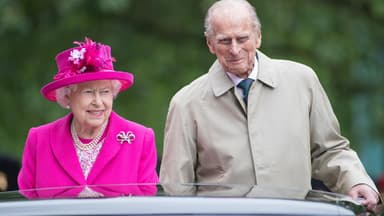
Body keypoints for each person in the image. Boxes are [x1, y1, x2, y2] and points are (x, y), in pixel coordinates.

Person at [159, 0, 380, 212]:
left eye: (242, 38)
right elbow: (176, 191)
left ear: (258, 37)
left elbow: (329, 150)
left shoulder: (302, 81)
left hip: (295, 213)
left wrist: (356, 181)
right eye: (225, 41)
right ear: (210, 44)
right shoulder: (186, 103)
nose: (235, 50)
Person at [18, 37, 159, 199]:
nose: (98, 102)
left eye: (105, 92)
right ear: (67, 96)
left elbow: (148, 206)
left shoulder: (140, 139)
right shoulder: (39, 139)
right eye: (88, 92)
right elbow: (25, 201)